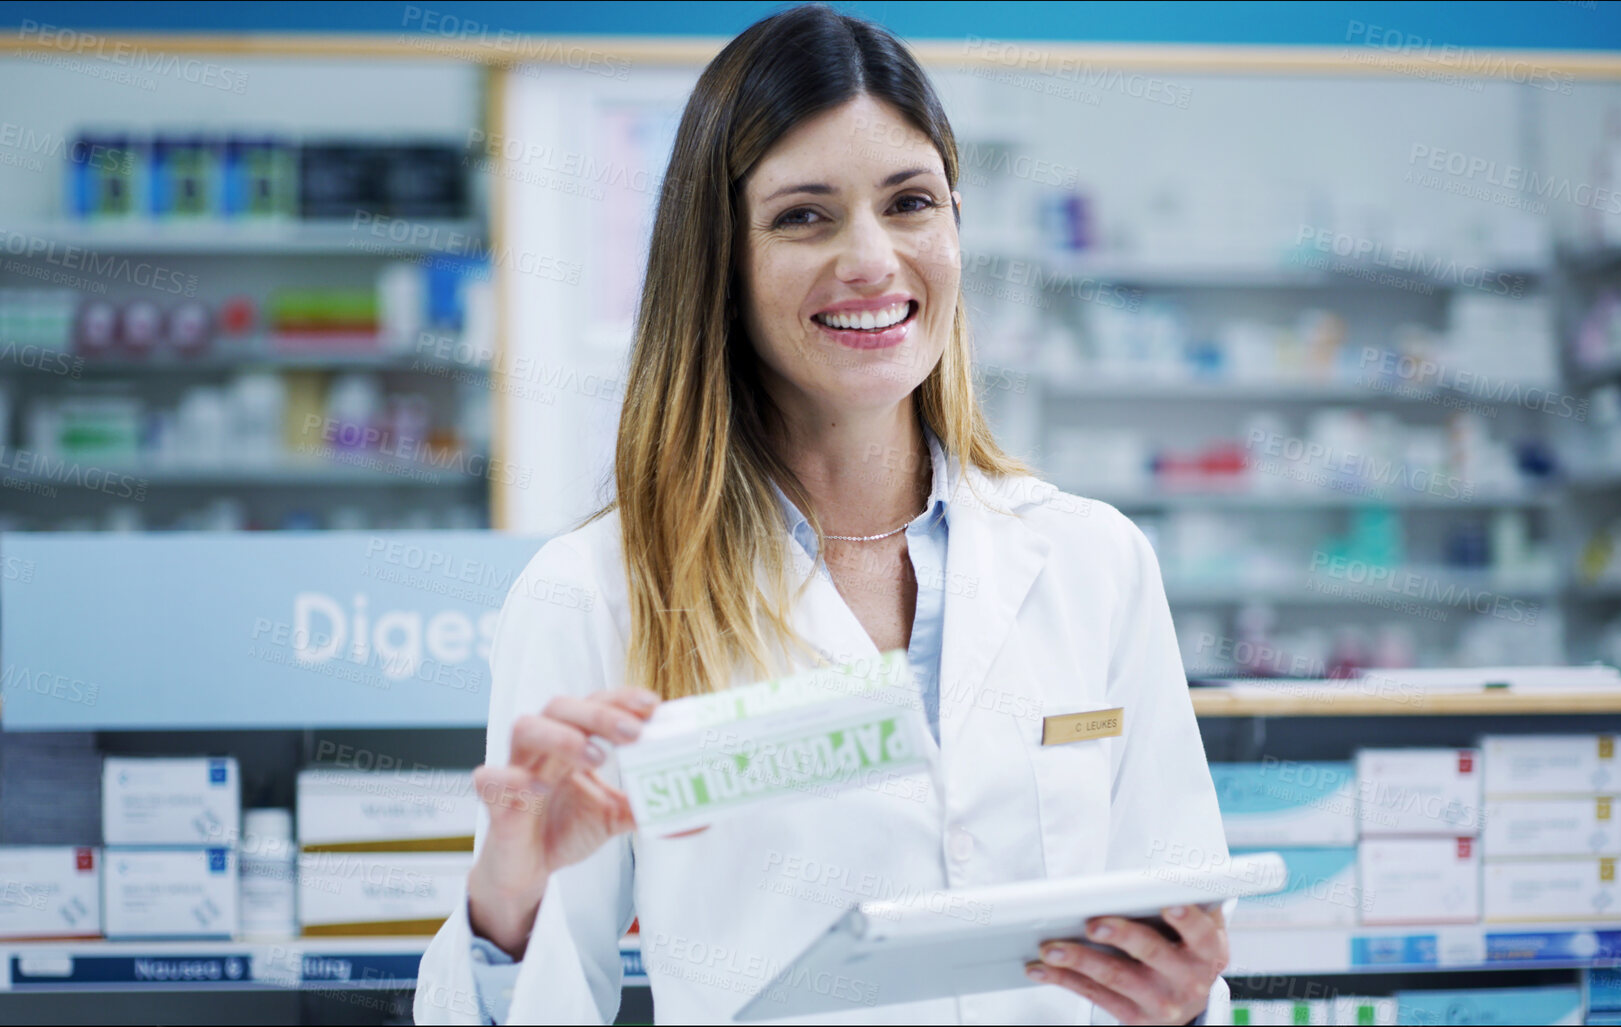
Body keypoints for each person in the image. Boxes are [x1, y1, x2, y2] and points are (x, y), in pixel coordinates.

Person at [414, 6, 1231, 1023]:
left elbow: (1178, 943)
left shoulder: (1091, 560)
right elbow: (534, 1000)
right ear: (720, 261)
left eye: (910, 203)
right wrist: (504, 903)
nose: (873, 259)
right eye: (805, 214)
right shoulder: (597, 595)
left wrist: (1186, 1002)